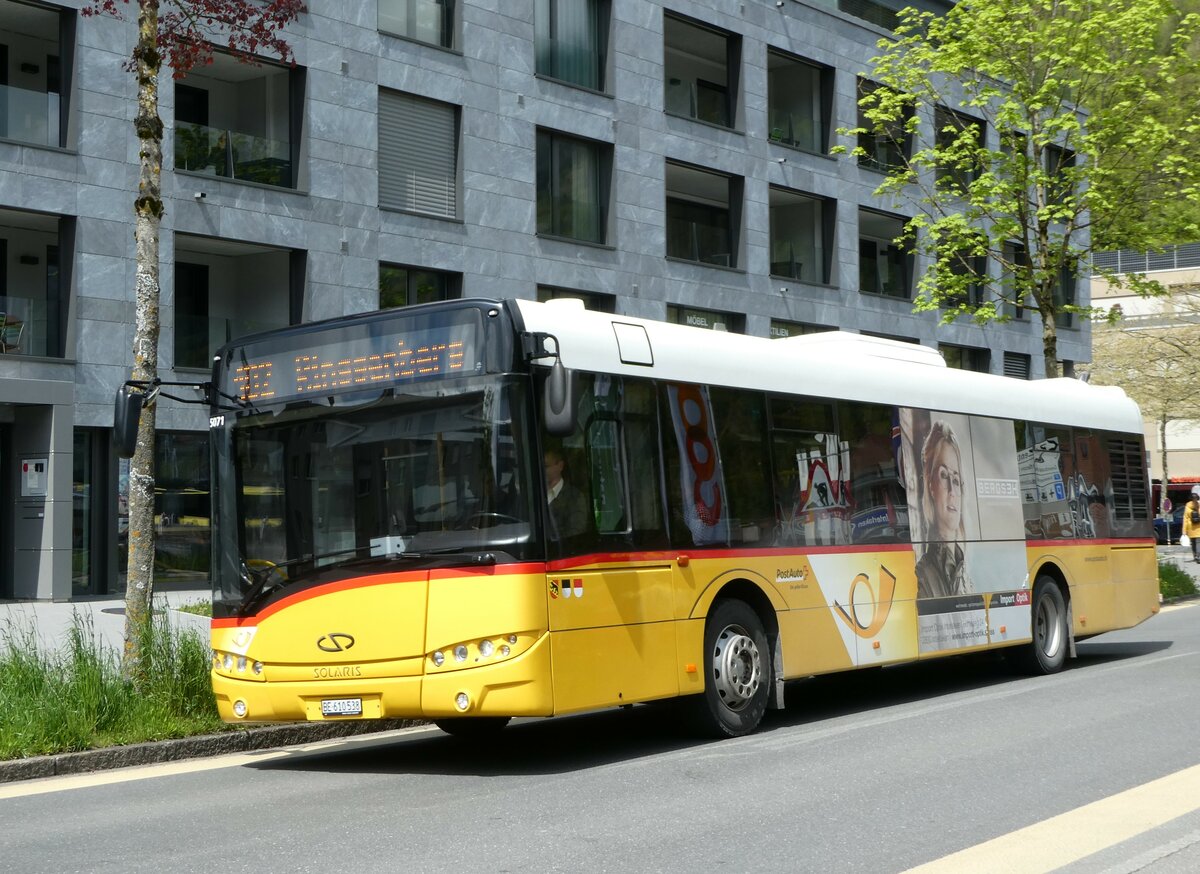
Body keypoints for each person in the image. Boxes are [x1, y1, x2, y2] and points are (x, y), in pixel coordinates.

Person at [914, 419, 973, 598]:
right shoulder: (922, 574)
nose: (952, 491)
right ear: (931, 485)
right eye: (944, 475)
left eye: (956, 480)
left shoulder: (965, 572)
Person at [545, 448, 588, 541]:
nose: (542, 470)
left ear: (560, 466)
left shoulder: (575, 498)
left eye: (546, 466)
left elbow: (575, 533)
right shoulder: (532, 495)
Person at [1183, 486, 1200, 563]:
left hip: (1190, 528)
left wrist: (1184, 530)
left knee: (1193, 543)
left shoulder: (1187, 505)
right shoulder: (1199, 505)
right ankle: (1198, 556)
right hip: (1198, 527)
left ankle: (1195, 556)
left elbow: (1185, 519)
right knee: (1198, 542)